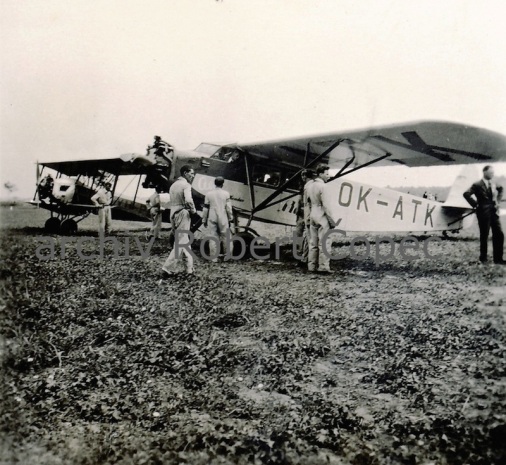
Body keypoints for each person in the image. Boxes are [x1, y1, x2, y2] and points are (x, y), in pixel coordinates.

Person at [463, 165, 504, 264]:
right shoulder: (477, 184)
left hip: (494, 212)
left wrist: (498, 201)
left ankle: (498, 259)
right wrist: (475, 205)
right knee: (484, 235)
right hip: (483, 212)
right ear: (484, 172)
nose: (492, 175)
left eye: (493, 173)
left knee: (499, 234)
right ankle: (483, 259)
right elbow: (466, 194)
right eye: (490, 173)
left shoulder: (494, 183)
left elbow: (501, 189)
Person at [161, 165, 197, 276]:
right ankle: (167, 268)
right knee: (181, 242)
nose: (193, 175)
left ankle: (189, 269)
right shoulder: (186, 185)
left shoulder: (173, 185)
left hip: (173, 213)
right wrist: (193, 211)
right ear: (185, 173)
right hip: (183, 213)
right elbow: (189, 200)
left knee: (184, 240)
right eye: (191, 173)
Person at [306, 164, 336, 273]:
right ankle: (323, 267)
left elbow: (308, 203)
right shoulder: (323, 187)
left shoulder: (309, 186)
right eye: (326, 174)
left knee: (313, 243)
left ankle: (311, 266)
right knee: (324, 242)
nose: (328, 176)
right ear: (321, 174)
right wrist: (332, 220)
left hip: (313, 213)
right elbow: (326, 205)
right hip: (321, 215)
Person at [202, 176, 234, 262]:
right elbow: (228, 207)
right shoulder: (226, 194)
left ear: (214, 183)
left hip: (212, 215)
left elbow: (205, 208)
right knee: (226, 236)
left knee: (213, 236)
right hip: (222, 215)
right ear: (222, 184)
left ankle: (213, 257)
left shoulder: (208, 194)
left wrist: (204, 219)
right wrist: (230, 218)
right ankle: (227, 256)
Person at [294, 169, 315, 266]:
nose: (303, 178)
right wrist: (297, 211)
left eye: (305, 176)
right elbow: (299, 200)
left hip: (307, 214)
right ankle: (298, 255)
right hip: (301, 214)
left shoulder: (311, 187)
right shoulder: (302, 187)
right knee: (298, 235)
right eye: (302, 176)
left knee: (307, 237)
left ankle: (304, 258)